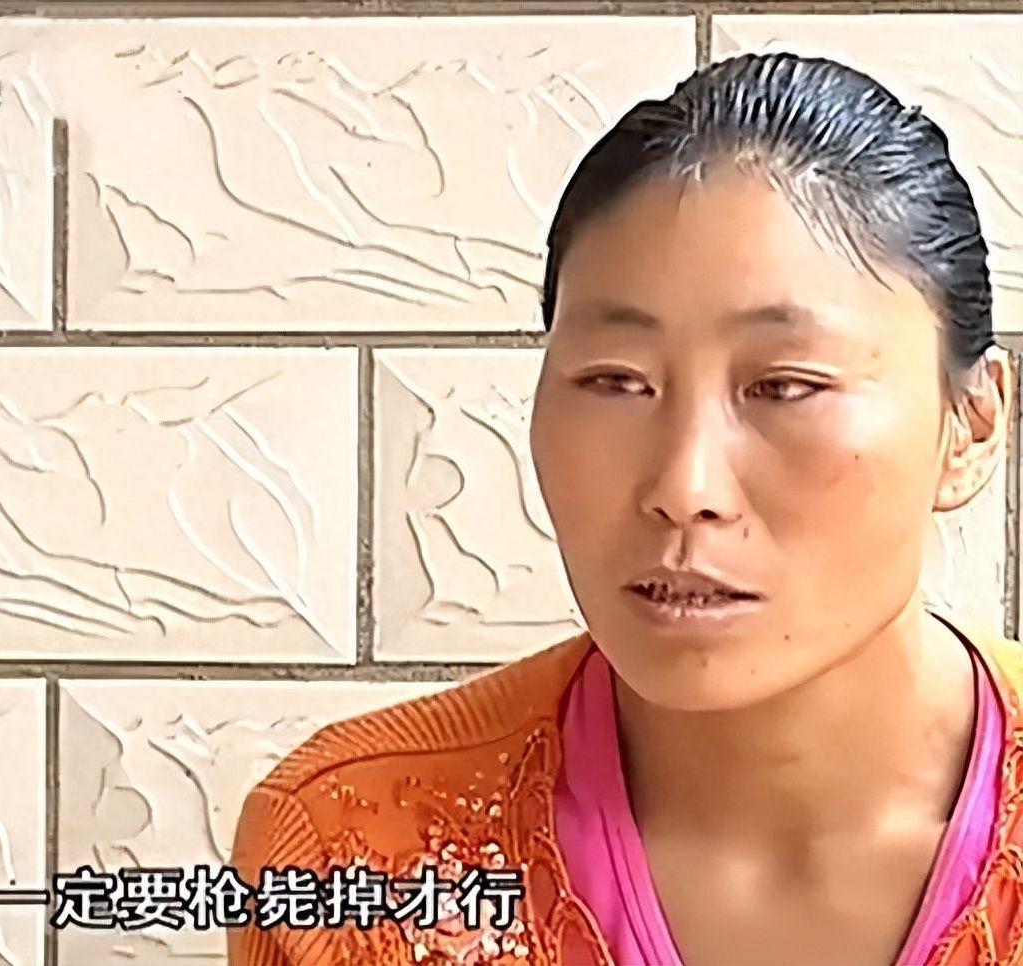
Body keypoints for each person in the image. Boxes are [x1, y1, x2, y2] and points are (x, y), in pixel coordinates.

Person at [227, 52, 1021, 965]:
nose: (685, 488)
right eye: (615, 381)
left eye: (784, 386)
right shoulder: (356, 850)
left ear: (971, 426)